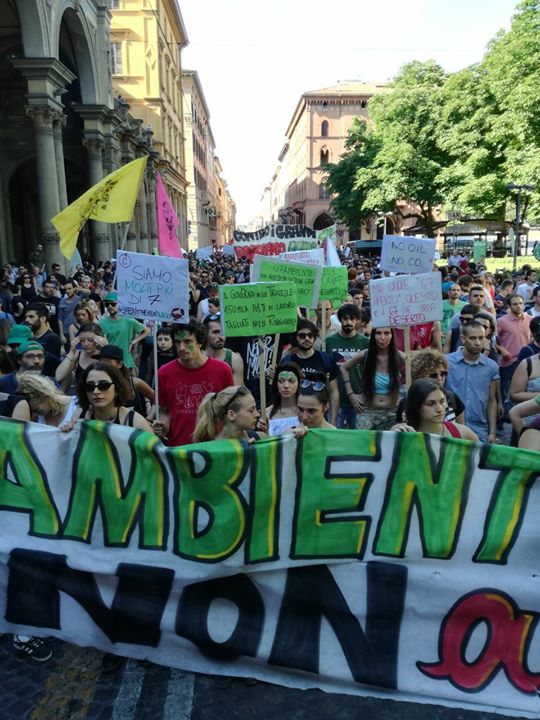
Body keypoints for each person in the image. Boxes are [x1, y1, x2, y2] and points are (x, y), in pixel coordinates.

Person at [154, 321, 234, 446]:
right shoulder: (164, 372)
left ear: (200, 342)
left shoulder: (222, 370)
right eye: (177, 342)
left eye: (187, 342)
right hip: (178, 449)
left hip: (215, 448)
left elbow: (231, 410)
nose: (181, 347)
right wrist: (163, 426)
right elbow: (164, 411)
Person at [341, 327, 405, 431]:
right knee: (363, 444)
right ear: (373, 336)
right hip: (367, 412)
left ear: (392, 336)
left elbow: (415, 369)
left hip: (391, 414)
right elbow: (344, 368)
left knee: (387, 445)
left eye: (387, 333)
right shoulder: (366, 354)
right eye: (378, 333)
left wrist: (405, 399)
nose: (382, 337)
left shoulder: (398, 356)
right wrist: (350, 394)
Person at [446, 321, 499, 443]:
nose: (477, 342)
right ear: (463, 339)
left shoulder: (491, 366)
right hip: (452, 427)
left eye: (481, 338)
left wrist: (492, 432)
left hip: (480, 429)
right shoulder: (447, 363)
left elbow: (491, 400)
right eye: (473, 338)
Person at [281, 319, 340, 425]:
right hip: (293, 417)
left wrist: (333, 420)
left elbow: (334, 392)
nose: (307, 339)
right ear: (295, 338)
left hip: (319, 417)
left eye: (310, 335)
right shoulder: (287, 361)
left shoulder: (326, 359)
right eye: (302, 336)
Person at [325, 303, 369, 428]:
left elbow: (368, 371)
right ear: (340, 319)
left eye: (352, 318)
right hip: (335, 401)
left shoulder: (365, 342)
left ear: (357, 320)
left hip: (359, 401)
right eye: (345, 318)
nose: (348, 322)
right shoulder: (329, 342)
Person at [77, 362, 154, 431]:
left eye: (104, 385)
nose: (96, 391)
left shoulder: (135, 422)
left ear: (117, 388)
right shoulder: (78, 417)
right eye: (90, 386)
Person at [392, 379, 478, 440]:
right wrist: (391, 438)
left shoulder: (463, 433)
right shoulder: (402, 433)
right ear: (416, 406)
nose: (439, 409)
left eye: (442, 401)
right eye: (430, 403)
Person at [395, 349, 464, 424]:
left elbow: (460, 432)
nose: (440, 378)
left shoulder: (452, 398)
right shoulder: (407, 403)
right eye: (433, 375)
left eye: (443, 373)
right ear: (420, 376)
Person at [91, 344, 155, 418]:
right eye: (100, 362)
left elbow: (159, 400)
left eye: (107, 362)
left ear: (119, 364)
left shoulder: (135, 383)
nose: (103, 365)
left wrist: (149, 418)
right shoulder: (95, 384)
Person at [497, 294, 531, 412]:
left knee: (523, 393)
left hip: (526, 363)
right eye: (515, 304)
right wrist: (502, 349)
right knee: (506, 394)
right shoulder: (501, 321)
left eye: (521, 303)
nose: (519, 306)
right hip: (508, 362)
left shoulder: (529, 320)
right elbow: (493, 340)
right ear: (509, 306)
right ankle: (504, 419)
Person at [193, 385, 262, 442]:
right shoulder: (214, 449)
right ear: (231, 415)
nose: (257, 414)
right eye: (251, 410)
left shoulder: (261, 437)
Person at [99, 292, 150, 371]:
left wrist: (133, 342)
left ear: (120, 304)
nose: (109, 306)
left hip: (126, 362)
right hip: (109, 363)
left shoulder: (129, 320)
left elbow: (147, 331)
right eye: (107, 304)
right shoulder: (102, 323)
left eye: (113, 304)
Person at [12, 373, 80, 429]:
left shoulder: (77, 406)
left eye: (36, 410)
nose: (35, 414)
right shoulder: (36, 417)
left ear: (45, 397)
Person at [55, 323, 108, 390]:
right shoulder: (78, 354)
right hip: (81, 396)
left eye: (90, 340)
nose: (86, 344)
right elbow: (58, 376)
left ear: (99, 339)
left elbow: (114, 375)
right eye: (82, 340)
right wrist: (71, 352)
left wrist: (107, 350)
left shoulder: (104, 356)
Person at [203, 313, 244, 385]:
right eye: (216, 332)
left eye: (223, 332)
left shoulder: (234, 360)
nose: (221, 337)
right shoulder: (196, 357)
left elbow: (236, 393)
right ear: (205, 334)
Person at [266, 362, 301, 436]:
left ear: (299, 383)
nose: (286, 386)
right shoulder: (267, 413)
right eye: (281, 381)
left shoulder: (304, 412)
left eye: (291, 381)